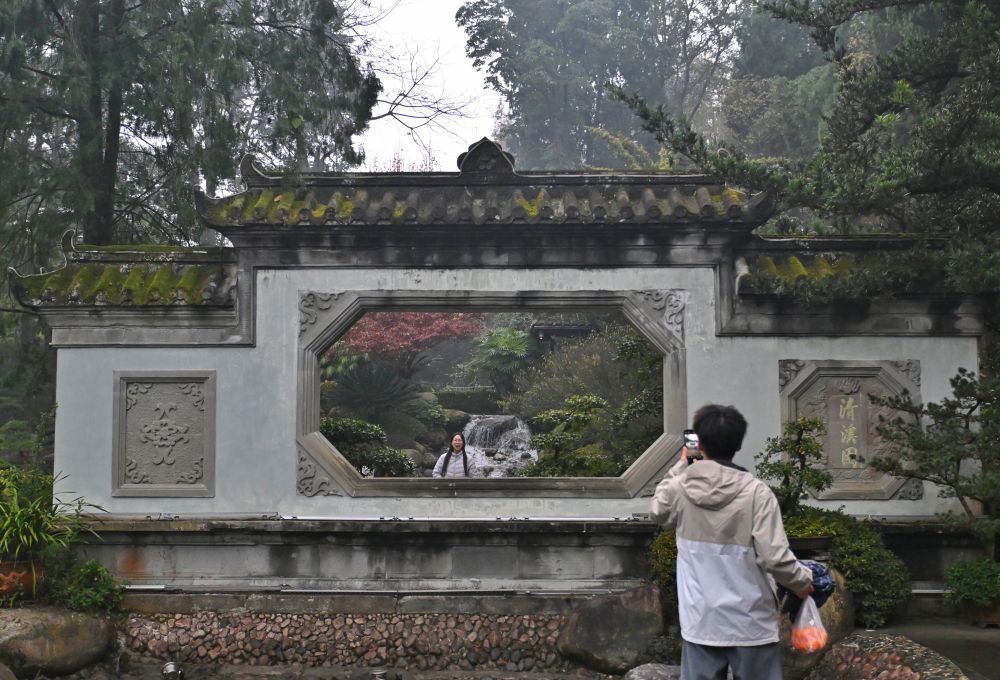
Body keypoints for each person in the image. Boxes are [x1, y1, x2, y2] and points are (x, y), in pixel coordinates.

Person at [650, 404, 814, 680]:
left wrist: (683, 465)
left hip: (701, 619)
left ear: (699, 444)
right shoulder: (757, 493)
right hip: (751, 621)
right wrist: (802, 582)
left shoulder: (680, 487)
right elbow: (775, 557)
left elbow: (658, 512)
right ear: (738, 445)